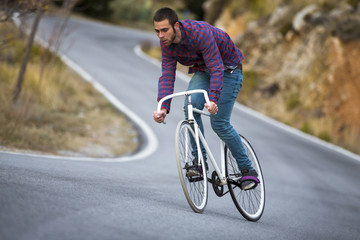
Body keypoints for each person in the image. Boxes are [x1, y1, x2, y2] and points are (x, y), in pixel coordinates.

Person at [152, 7, 258, 190]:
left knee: (219, 123)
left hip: (228, 71)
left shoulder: (199, 34)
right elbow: (167, 74)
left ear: (176, 25)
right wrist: (163, 106)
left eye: (164, 30)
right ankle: (199, 162)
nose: (160, 35)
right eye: (157, 31)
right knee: (190, 107)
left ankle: (247, 169)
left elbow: (217, 69)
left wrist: (213, 99)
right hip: (204, 71)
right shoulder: (167, 43)